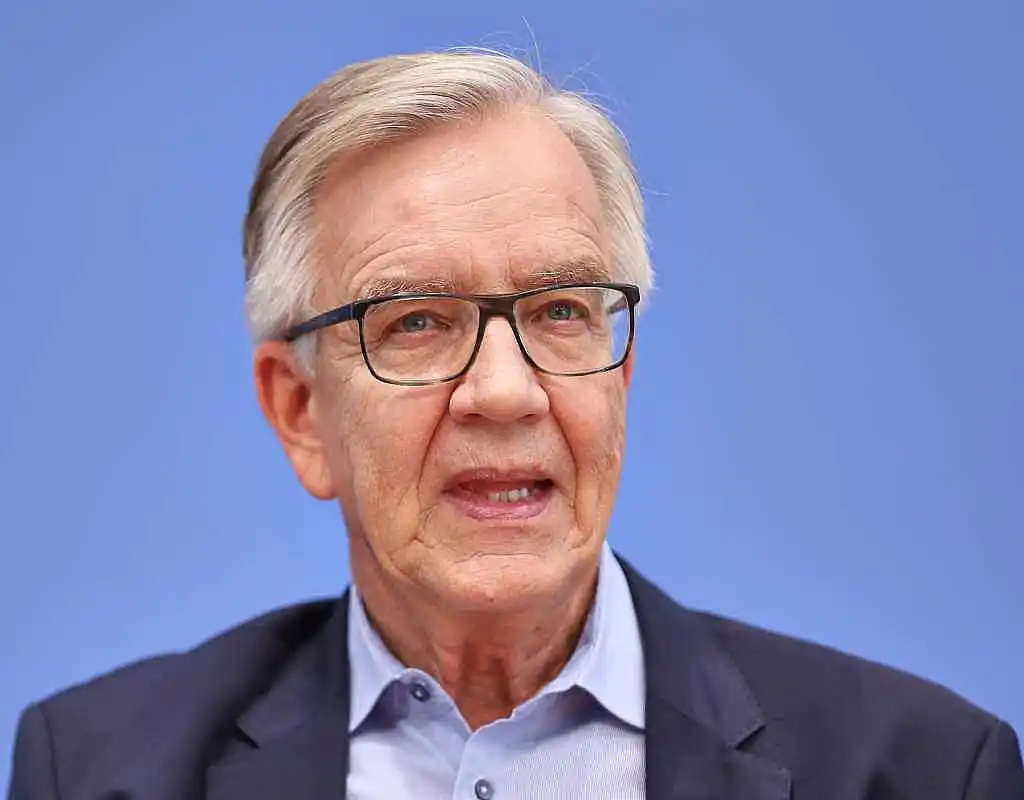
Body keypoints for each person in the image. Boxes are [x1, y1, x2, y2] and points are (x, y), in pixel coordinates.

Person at [8, 49, 1023, 800]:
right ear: (300, 411)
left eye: (560, 311)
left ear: (620, 373)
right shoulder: (95, 770)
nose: (505, 391)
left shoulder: (926, 770)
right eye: (414, 321)